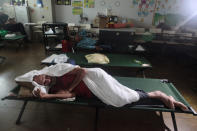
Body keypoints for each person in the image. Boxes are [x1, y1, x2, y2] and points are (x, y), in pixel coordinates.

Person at [32, 67, 188, 111]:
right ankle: (158, 95)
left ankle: (159, 95)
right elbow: (69, 95)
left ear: (46, 73)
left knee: (122, 99)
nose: (47, 79)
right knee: (123, 96)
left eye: (45, 76)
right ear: (43, 84)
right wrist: (47, 97)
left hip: (96, 77)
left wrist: (71, 86)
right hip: (94, 90)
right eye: (44, 81)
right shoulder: (54, 89)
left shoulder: (60, 71)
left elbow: (83, 71)